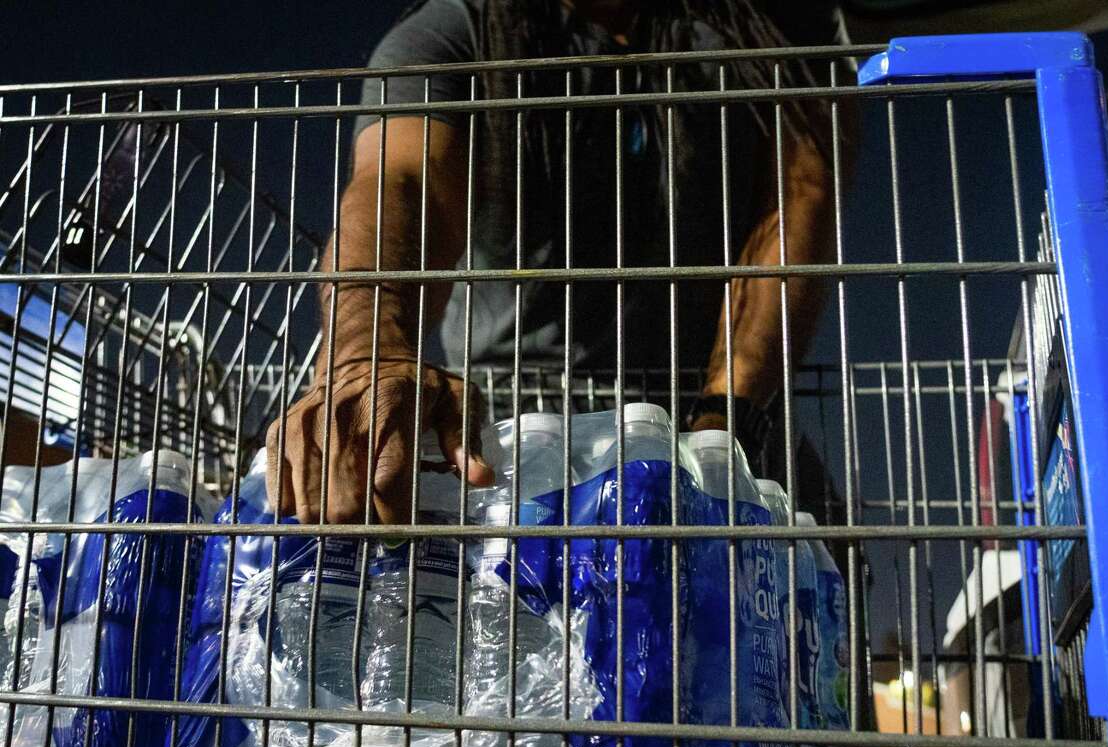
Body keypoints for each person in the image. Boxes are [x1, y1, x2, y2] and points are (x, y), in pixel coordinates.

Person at [267, 0, 852, 524]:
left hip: (715, 410)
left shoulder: (752, 35)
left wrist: (724, 426)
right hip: (528, 431)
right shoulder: (458, 31)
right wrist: (368, 352)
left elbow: (799, 200)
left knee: (801, 597)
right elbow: (402, 180)